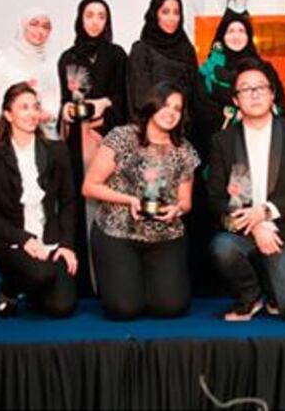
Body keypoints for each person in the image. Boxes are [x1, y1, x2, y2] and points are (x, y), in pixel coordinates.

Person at [210, 59, 285, 321]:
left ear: (272, 94)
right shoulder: (223, 140)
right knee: (222, 247)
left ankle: (274, 290)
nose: (254, 93)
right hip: (244, 233)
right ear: (236, 100)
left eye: (260, 87)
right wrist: (254, 225)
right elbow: (216, 197)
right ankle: (251, 296)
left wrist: (265, 213)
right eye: (245, 89)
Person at [82, 82, 199, 320]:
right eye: (165, 105)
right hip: (118, 233)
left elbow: (186, 202)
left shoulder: (184, 150)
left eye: (177, 108)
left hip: (165, 236)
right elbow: (89, 187)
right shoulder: (122, 137)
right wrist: (130, 200)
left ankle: (150, 284)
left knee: (171, 308)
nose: (171, 113)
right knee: (124, 310)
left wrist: (177, 209)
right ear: (151, 105)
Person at [0, 82, 78, 318]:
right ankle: (10, 288)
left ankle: (32, 290)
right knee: (41, 275)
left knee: (62, 307)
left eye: (35, 107)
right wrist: (24, 240)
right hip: (10, 239)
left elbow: (68, 202)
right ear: (8, 115)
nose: (32, 113)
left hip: (49, 239)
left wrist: (67, 245)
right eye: (24, 107)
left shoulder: (57, 150)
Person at [57, 0, 128, 295]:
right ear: (80, 19)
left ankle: (113, 276)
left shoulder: (117, 54)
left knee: (111, 202)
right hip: (78, 141)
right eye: (90, 15)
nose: (95, 21)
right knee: (80, 202)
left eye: (101, 16)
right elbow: (66, 100)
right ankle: (85, 278)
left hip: (110, 139)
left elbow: (126, 98)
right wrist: (67, 110)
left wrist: (105, 104)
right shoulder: (68, 57)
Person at [193, 9, 285, 158]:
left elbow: (278, 104)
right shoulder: (207, 72)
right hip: (221, 149)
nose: (236, 36)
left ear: (249, 36)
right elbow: (201, 110)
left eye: (241, 31)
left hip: (262, 144)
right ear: (222, 36)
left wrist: (256, 114)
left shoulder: (264, 69)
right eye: (230, 31)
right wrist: (236, 116)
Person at [0, 8, 60, 139]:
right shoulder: (0, 59)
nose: (40, 31)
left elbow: (55, 104)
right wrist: (18, 118)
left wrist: (48, 116)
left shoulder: (52, 64)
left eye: (46, 27)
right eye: (34, 24)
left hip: (45, 137)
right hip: (6, 135)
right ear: (22, 26)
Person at [127, 0, 198, 123]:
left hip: (184, 131)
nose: (172, 18)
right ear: (155, 15)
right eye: (165, 12)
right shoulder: (142, 50)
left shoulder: (187, 50)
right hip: (150, 130)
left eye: (176, 13)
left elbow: (195, 98)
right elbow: (139, 99)